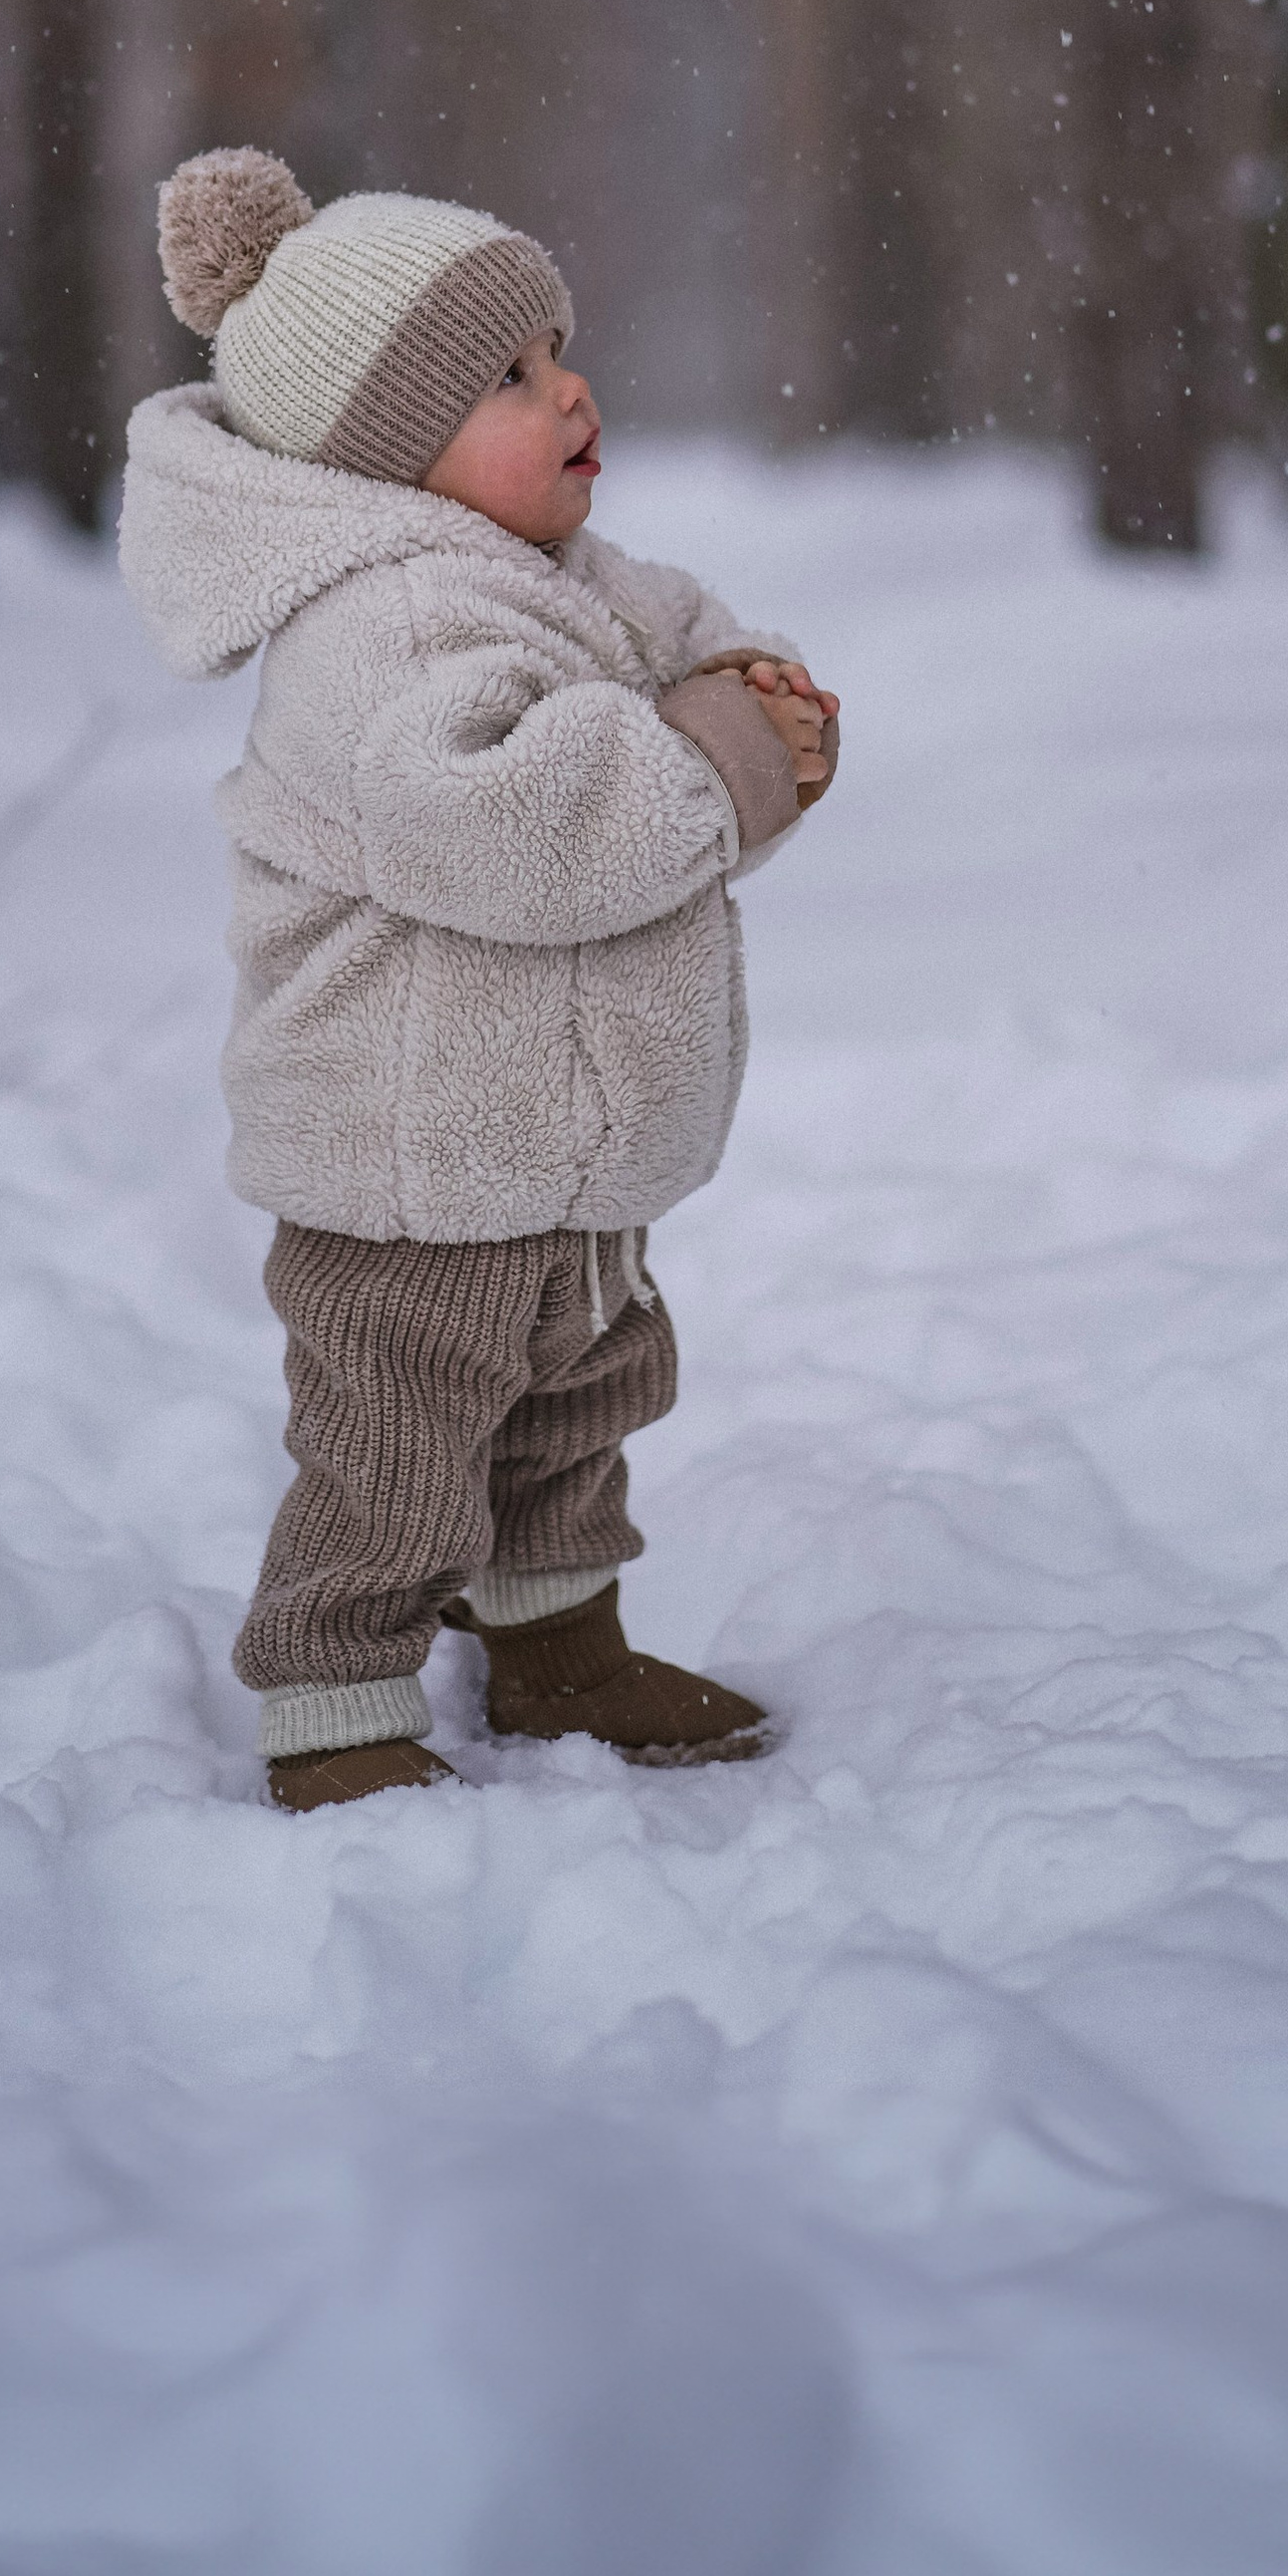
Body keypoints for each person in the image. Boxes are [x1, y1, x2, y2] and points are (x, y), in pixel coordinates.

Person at [118, 149, 839, 1812]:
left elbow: (696, 651)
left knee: (568, 1417)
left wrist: (754, 704)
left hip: (549, 1154)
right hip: (410, 1163)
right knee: (396, 1447)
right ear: (393, 453)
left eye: (556, 347)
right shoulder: (386, 631)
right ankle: (335, 1708)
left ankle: (560, 1651)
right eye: (508, 377)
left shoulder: (560, 579)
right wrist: (727, 757)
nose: (568, 385)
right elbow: (537, 828)